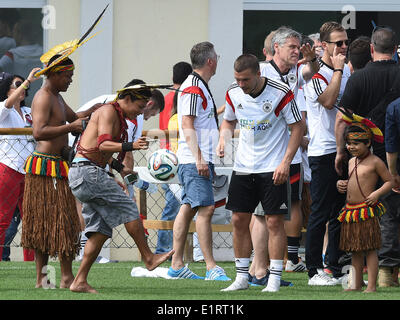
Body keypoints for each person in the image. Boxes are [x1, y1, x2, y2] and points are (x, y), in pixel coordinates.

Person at [67, 81, 174, 293]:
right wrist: (130, 146)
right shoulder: (108, 111)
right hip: (88, 173)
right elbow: (102, 145)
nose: (141, 112)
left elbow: (99, 153)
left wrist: (119, 169)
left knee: (100, 230)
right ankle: (149, 258)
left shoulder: (118, 115)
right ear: (127, 99)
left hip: (87, 173)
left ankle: (79, 281)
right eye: (140, 107)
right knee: (129, 208)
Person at [219, 54, 304, 292]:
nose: (241, 84)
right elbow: (228, 121)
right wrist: (223, 139)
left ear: (258, 74)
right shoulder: (233, 92)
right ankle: (241, 277)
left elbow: (298, 127)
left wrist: (286, 162)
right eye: (237, 79)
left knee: (274, 221)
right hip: (244, 166)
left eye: (245, 79)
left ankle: (274, 278)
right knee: (238, 220)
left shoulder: (280, 92)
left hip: (273, 167)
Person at [21, 54, 97, 289]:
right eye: (67, 75)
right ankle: (46, 279)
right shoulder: (43, 97)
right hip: (44, 168)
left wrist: (100, 107)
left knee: (63, 222)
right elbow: (39, 131)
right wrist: (71, 127)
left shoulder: (57, 97)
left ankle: (63, 277)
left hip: (58, 166)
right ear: (54, 74)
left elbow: (76, 118)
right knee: (44, 223)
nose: (70, 80)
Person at [335, 26, 400, 287]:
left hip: (364, 153)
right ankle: (388, 272)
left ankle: (367, 273)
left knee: (367, 213)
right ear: (396, 49)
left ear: (372, 49)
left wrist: (341, 151)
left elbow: (342, 119)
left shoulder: (358, 77)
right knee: (392, 212)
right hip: (395, 152)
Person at [167, 41, 229, 281]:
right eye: (217, 57)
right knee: (205, 208)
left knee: (190, 206)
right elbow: (187, 125)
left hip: (195, 159)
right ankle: (211, 267)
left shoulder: (195, 85)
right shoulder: (194, 87)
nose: (218, 60)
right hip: (194, 160)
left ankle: (177, 264)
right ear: (210, 61)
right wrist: (200, 158)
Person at [260, 26, 319, 273]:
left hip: (290, 149)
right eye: (292, 47)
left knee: (293, 202)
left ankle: (291, 259)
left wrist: (313, 57)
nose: (296, 51)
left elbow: (312, 70)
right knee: (262, 211)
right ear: (276, 48)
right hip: (264, 151)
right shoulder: (261, 71)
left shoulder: (297, 71)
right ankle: (259, 264)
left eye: (298, 48)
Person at [303, 21, 351, 286]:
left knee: (339, 212)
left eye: (345, 42)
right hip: (322, 152)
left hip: (342, 150)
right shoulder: (313, 74)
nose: (344, 47)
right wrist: (339, 70)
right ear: (324, 45)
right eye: (338, 43)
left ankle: (334, 264)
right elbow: (330, 101)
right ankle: (313, 269)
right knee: (320, 212)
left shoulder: (344, 72)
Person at [336, 120, 392, 292]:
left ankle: (372, 286)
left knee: (370, 248)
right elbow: (353, 180)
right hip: (351, 211)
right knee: (355, 250)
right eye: (349, 143)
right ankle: (356, 284)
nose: (352, 147)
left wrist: (376, 194)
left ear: (368, 142)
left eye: (356, 143)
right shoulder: (351, 161)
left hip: (366, 211)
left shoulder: (375, 162)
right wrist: (341, 184)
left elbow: (390, 181)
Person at [0, 68, 40, 261]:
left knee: (32, 219)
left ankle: (31, 262)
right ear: (6, 89)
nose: (24, 88)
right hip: (8, 167)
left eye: (24, 85)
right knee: (3, 218)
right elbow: (8, 105)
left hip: (30, 169)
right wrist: (27, 81)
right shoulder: (2, 107)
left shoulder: (28, 111)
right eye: (17, 85)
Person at [156, 61, 192, 255]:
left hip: (165, 156)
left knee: (175, 206)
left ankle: (170, 250)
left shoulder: (168, 97)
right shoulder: (184, 97)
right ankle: (164, 249)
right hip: (177, 158)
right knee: (175, 206)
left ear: (172, 78)